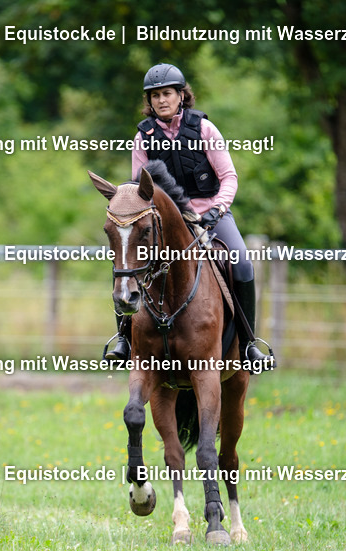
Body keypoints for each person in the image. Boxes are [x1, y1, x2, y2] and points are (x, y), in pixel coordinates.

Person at [104, 63, 275, 373]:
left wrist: (217, 209)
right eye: (154, 96)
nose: (161, 100)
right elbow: (139, 189)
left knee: (241, 262)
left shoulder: (204, 129)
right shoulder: (143, 137)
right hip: (167, 221)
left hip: (211, 213)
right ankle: (124, 339)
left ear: (181, 95)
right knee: (127, 264)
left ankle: (249, 344)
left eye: (167, 93)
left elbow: (229, 177)